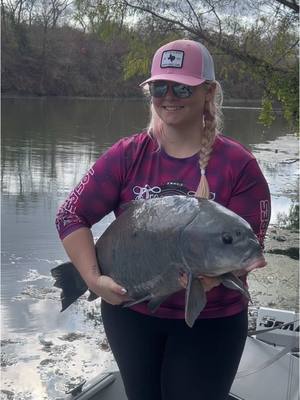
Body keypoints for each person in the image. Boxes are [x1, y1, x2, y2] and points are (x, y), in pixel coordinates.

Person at [56, 39, 271, 400]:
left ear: (208, 92)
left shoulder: (239, 166)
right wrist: (92, 279)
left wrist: (215, 280)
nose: (169, 95)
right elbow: (70, 214)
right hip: (132, 317)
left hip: (212, 323)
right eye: (159, 86)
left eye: (183, 86)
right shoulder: (128, 155)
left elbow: (248, 247)